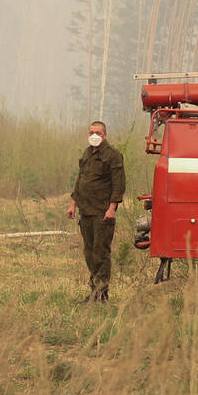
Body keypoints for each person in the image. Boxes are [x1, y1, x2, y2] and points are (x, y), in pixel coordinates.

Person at [68, 120, 125, 302]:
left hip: (102, 212)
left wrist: (112, 208)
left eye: (98, 133)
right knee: (89, 252)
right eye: (91, 132)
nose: (94, 136)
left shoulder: (113, 155)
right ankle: (94, 290)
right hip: (86, 211)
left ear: (105, 135)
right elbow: (80, 180)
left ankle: (101, 292)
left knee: (101, 252)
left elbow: (119, 184)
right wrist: (73, 203)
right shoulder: (87, 154)